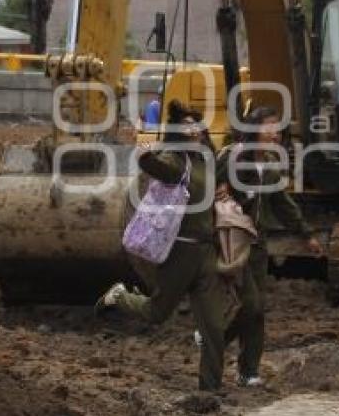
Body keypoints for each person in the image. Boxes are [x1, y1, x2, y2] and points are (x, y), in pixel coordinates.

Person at [96, 99, 228, 393]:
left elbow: (219, 180)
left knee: (214, 326)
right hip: (179, 252)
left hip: (206, 251)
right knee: (157, 313)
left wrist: (225, 187)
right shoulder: (175, 159)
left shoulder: (206, 159)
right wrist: (144, 157)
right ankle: (119, 296)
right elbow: (160, 168)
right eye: (188, 123)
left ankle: (210, 390)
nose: (195, 128)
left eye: (197, 122)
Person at [215, 106, 323, 387]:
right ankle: (215, 337)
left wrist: (306, 234)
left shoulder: (270, 169)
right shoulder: (231, 158)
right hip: (231, 242)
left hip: (257, 244)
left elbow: (282, 205)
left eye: (277, 128)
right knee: (250, 304)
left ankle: (248, 370)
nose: (275, 133)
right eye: (268, 127)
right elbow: (205, 188)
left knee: (257, 309)